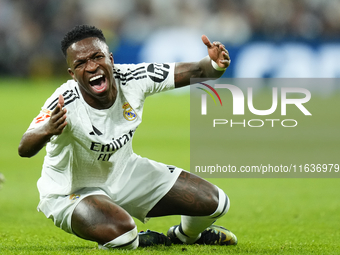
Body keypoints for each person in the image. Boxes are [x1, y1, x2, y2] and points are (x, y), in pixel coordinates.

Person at [18, 25, 237, 250]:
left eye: (97, 57)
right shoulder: (64, 102)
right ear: (72, 74)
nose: (92, 66)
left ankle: (185, 236)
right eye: (81, 63)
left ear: (110, 59)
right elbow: (24, 147)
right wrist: (47, 129)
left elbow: (200, 71)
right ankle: (133, 237)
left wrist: (214, 64)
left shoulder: (134, 78)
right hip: (71, 192)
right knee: (123, 236)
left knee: (216, 202)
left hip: (125, 174)